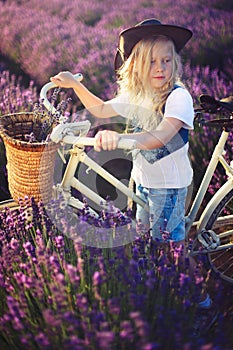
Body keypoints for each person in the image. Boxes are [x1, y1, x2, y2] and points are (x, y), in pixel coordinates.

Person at [51, 18, 218, 337]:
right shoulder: (138, 96)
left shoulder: (177, 97)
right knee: (150, 239)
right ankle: (165, 290)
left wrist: (121, 139)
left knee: (171, 248)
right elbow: (100, 109)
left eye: (167, 60)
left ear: (176, 63)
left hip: (168, 187)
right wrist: (74, 84)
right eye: (152, 62)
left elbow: (160, 136)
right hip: (145, 181)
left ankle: (203, 303)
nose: (161, 68)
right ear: (136, 67)